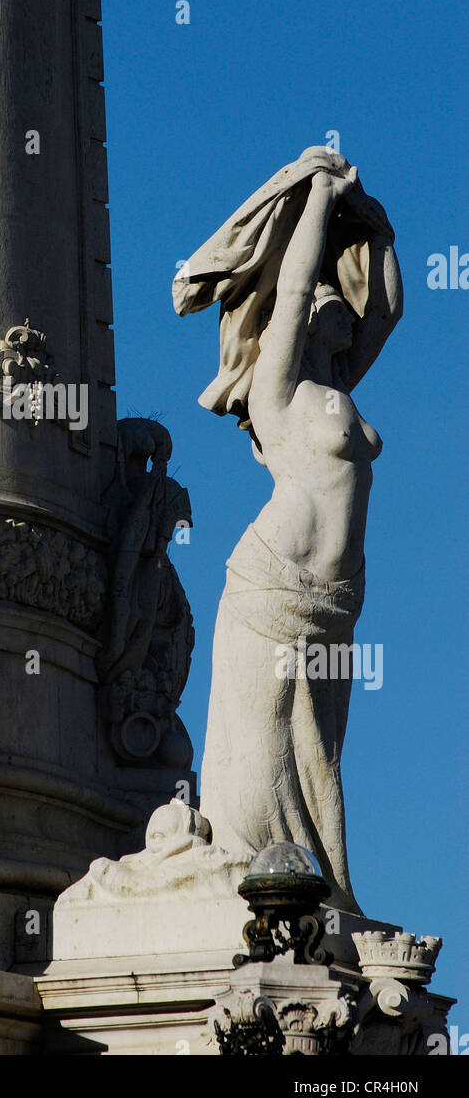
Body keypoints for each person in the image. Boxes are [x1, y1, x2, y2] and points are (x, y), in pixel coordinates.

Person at [174, 150, 402, 910]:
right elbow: (298, 278)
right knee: (263, 752)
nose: (342, 296)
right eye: (325, 295)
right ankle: (248, 881)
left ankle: (326, 892)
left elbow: (392, 310)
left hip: (334, 601)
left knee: (320, 761)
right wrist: (316, 201)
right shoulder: (280, 393)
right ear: (300, 318)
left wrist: (378, 227)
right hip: (272, 584)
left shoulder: (339, 385)